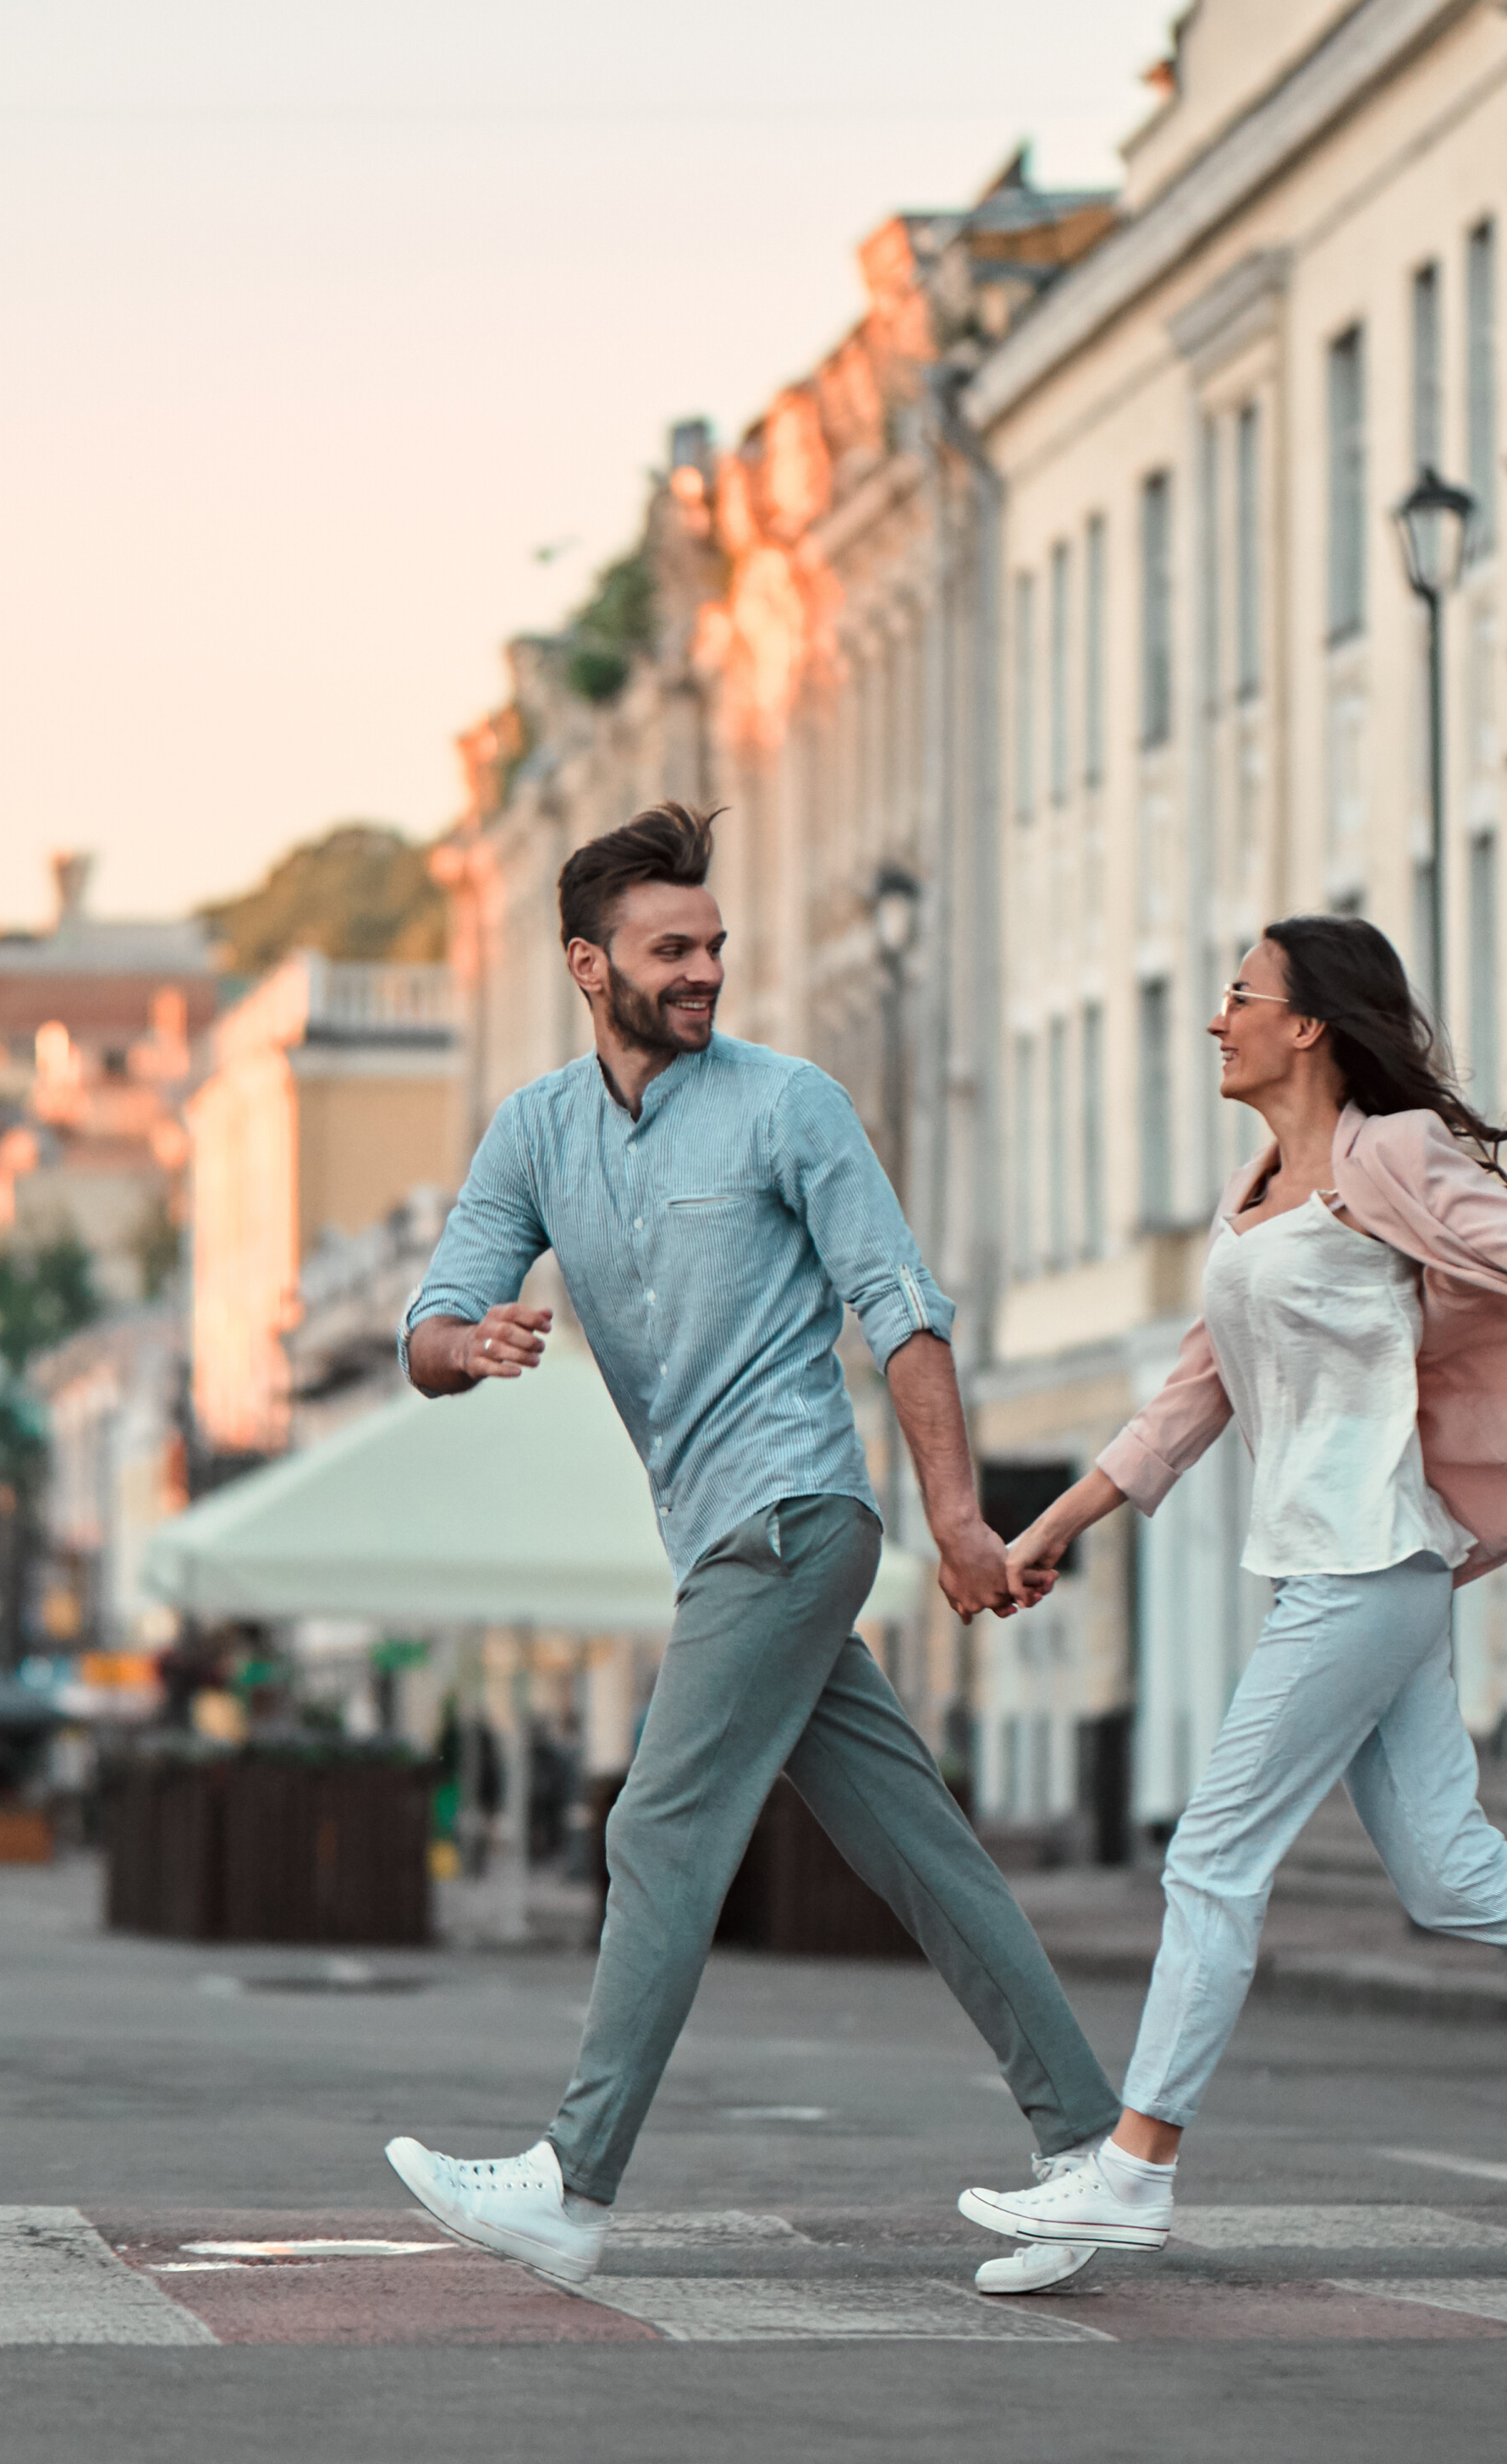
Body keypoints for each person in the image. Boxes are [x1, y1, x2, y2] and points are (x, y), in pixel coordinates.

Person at [960, 915, 1507, 2264]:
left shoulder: (1388, 1158)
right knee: (1451, 1873)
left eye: (1238, 995)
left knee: (1211, 1858)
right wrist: (1050, 1529)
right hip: (1346, 1565)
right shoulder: (1250, 1197)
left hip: (1366, 1560)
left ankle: (1132, 2171)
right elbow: (1191, 1396)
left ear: (1306, 1025)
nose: (1215, 1019)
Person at [380, 801, 1123, 2299]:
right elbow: (427, 1327)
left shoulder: (790, 1105)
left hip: (790, 1517)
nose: (707, 967)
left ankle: (573, 2184)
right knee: (919, 1848)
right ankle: (1095, 2150)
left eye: (715, 943)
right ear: (591, 967)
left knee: (656, 1826)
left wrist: (959, 1518)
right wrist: (478, 1342)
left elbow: (901, 1307)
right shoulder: (535, 1130)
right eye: (673, 949)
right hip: (720, 1533)